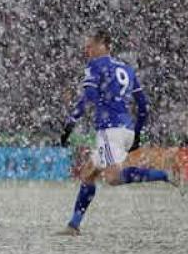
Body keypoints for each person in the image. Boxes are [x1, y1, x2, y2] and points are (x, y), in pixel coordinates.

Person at [58, 30, 180, 236]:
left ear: (103, 45)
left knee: (113, 177)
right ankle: (73, 225)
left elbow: (87, 96)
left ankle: (165, 174)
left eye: (90, 46)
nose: (87, 50)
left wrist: (71, 123)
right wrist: (138, 133)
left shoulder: (95, 66)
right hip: (126, 129)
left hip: (109, 129)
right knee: (88, 174)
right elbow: (143, 106)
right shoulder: (127, 69)